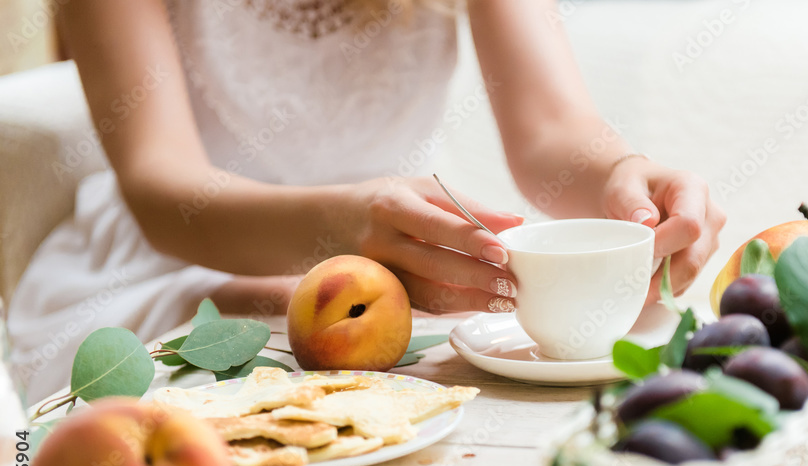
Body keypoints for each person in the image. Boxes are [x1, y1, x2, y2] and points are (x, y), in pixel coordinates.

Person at [8, 0, 726, 402]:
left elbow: (552, 134)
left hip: (380, 273)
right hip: (169, 271)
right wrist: (342, 229)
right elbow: (165, 195)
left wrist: (625, 178)